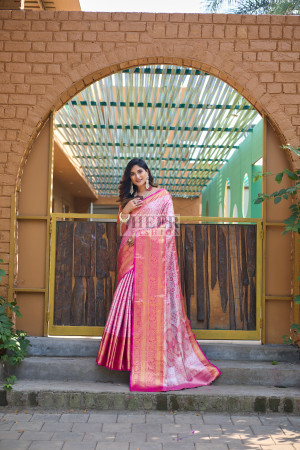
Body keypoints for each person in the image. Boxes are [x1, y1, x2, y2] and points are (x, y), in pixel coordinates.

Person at [96, 158, 220, 392]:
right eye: (132, 174)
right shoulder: (128, 201)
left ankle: (151, 364)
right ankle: (129, 360)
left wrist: (143, 237)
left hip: (151, 261)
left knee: (150, 311)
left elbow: (169, 226)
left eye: (140, 171)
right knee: (129, 306)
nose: (137, 177)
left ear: (148, 172)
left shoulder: (163, 196)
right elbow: (121, 229)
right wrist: (127, 211)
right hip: (130, 257)